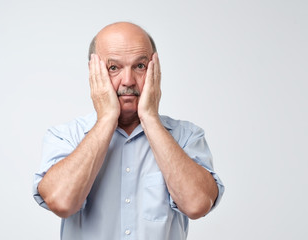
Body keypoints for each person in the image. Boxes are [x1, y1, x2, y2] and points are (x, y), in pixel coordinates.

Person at [33, 22, 224, 240]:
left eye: (140, 66)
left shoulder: (187, 136)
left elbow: (197, 205)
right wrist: (106, 119)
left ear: (155, 70)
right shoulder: (66, 137)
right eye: (113, 68)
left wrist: (150, 117)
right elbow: (61, 202)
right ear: (94, 73)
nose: (128, 81)